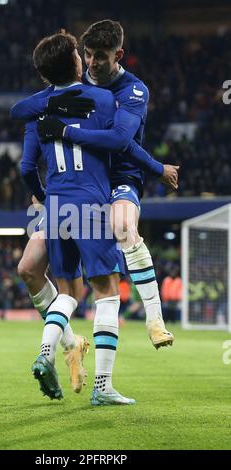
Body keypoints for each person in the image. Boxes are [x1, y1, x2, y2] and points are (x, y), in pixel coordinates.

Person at [12, 20, 177, 350]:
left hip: (120, 178)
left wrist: (156, 168)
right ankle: (71, 347)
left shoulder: (134, 90)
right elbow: (21, 109)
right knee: (28, 267)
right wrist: (56, 104)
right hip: (79, 185)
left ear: (118, 55)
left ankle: (155, 319)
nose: (91, 63)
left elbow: (119, 141)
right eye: (87, 55)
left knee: (123, 226)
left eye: (100, 56)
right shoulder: (77, 83)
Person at [21, 31, 135, 406]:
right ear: (74, 61)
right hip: (91, 202)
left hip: (55, 206)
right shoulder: (103, 99)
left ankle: (46, 352)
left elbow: (25, 167)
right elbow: (121, 141)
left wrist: (42, 195)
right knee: (107, 290)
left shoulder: (38, 108)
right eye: (78, 53)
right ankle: (102, 387)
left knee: (68, 292)